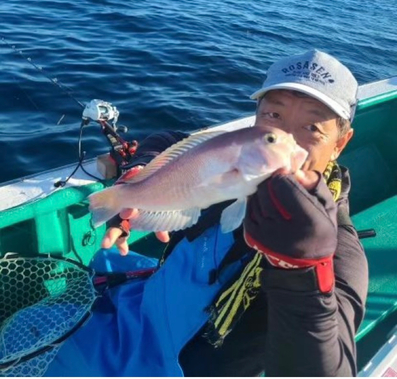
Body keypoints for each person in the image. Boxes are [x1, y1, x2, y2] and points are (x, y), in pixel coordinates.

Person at [45, 49, 368, 377]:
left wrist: (301, 270)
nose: (290, 140)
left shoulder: (339, 251)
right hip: (140, 316)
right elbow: (171, 142)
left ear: (340, 144)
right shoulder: (239, 164)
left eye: (312, 128)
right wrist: (139, 174)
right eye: (273, 117)